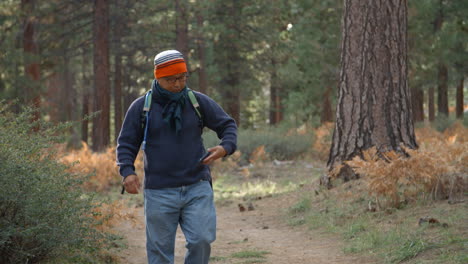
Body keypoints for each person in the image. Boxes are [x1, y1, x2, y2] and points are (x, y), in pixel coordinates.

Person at [116, 50, 237, 264]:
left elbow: (227, 125)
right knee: (160, 253)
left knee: (201, 240)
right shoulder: (142, 107)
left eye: (182, 78)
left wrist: (225, 147)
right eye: (170, 79)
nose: (177, 84)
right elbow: (126, 143)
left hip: (197, 186)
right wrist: (127, 172)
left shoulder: (196, 101)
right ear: (157, 77)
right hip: (159, 191)